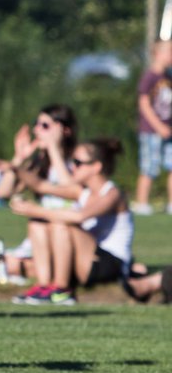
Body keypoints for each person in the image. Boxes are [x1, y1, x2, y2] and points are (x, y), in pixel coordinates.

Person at [9, 138, 133, 306]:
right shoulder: (83, 192)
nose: (72, 166)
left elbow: (81, 216)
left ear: (96, 167)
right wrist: (14, 167)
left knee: (61, 224)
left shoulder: (113, 194)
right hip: (87, 259)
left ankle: (62, 290)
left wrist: (36, 209)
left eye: (78, 162)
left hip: (110, 264)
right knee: (36, 223)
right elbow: (40, 186)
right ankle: (43, 287)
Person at [0, 104, 79, 296]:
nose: (37, 130)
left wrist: (54, 148)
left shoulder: (77, 160)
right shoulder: (39, 164)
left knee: (16, 261)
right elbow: (3, 192)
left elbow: (71, 189)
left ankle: (55, 286)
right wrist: (18, 158)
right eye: (36, 124)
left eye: (45, 126)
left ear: (64, 130)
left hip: (66, 236)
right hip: (41, 237)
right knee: (6, 262)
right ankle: (42, 286)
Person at [132, 39, 172, 215]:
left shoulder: (169, 77)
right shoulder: (150, 76)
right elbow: (144, 103)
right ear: (158, 54)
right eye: (169, 52)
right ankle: (142, 203)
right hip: (151, 131)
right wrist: (158, 126)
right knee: (149, 167)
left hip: (168, 130)